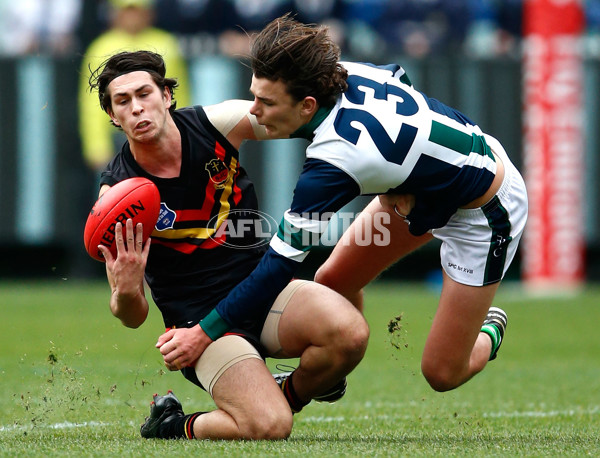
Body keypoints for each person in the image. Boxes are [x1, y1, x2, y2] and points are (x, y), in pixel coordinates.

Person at [187, 13, 528, 394]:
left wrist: (205, 331)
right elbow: (399, 77)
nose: (253, 110)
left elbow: (278, 267)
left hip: (486, 212)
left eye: (265, 101)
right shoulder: (338, 72)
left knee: (442, 373)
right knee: (332, 281)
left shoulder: (336, 161)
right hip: (430, 191)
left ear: (307, 105)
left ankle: (490, 329)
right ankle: (335, 371)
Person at [87, 50, 369, 440]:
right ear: (113, 116)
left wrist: (389, 167)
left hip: (262, 292)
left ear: (167, 95)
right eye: (123, 102)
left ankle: (290, 390)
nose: (136, 108)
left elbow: (301, 117)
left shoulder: (217, 125)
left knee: (350, 335)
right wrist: (126, 288)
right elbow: (131, 315)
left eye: (144, 94)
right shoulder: (117, 198)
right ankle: (171, 424)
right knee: (269, 426)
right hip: (198, 325)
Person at [79, 0, 190, 173]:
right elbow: (91, 103)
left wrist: (183, 134)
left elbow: (178, 93)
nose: (132, 17)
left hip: (160, 132)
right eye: (127, 11)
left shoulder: (167, 43)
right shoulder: (101, 47)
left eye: (137, 11)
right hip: (117, 135)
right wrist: (97, 145)